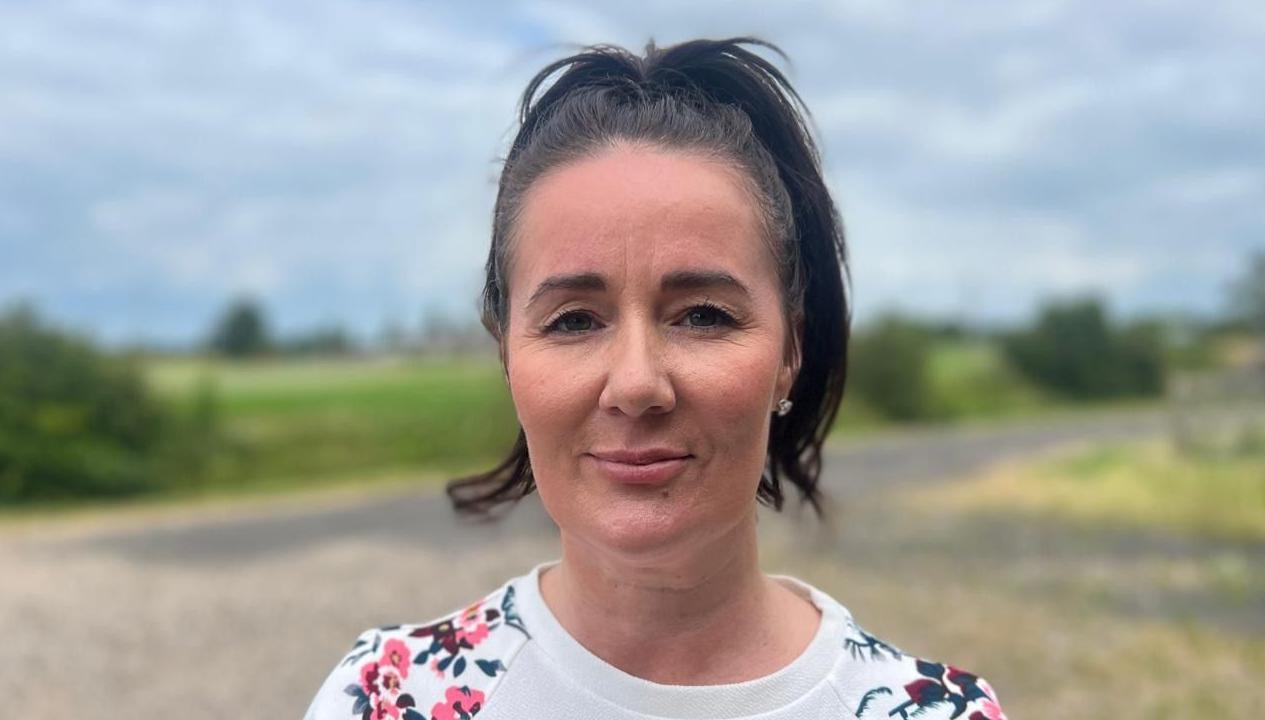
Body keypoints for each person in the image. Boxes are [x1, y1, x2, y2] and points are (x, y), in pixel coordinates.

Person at [304, 37, 1008, 720]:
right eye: (575, 321)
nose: (637, 384)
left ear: (790, 349)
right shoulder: (384, 699)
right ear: (507, 356)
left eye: (702, 315)